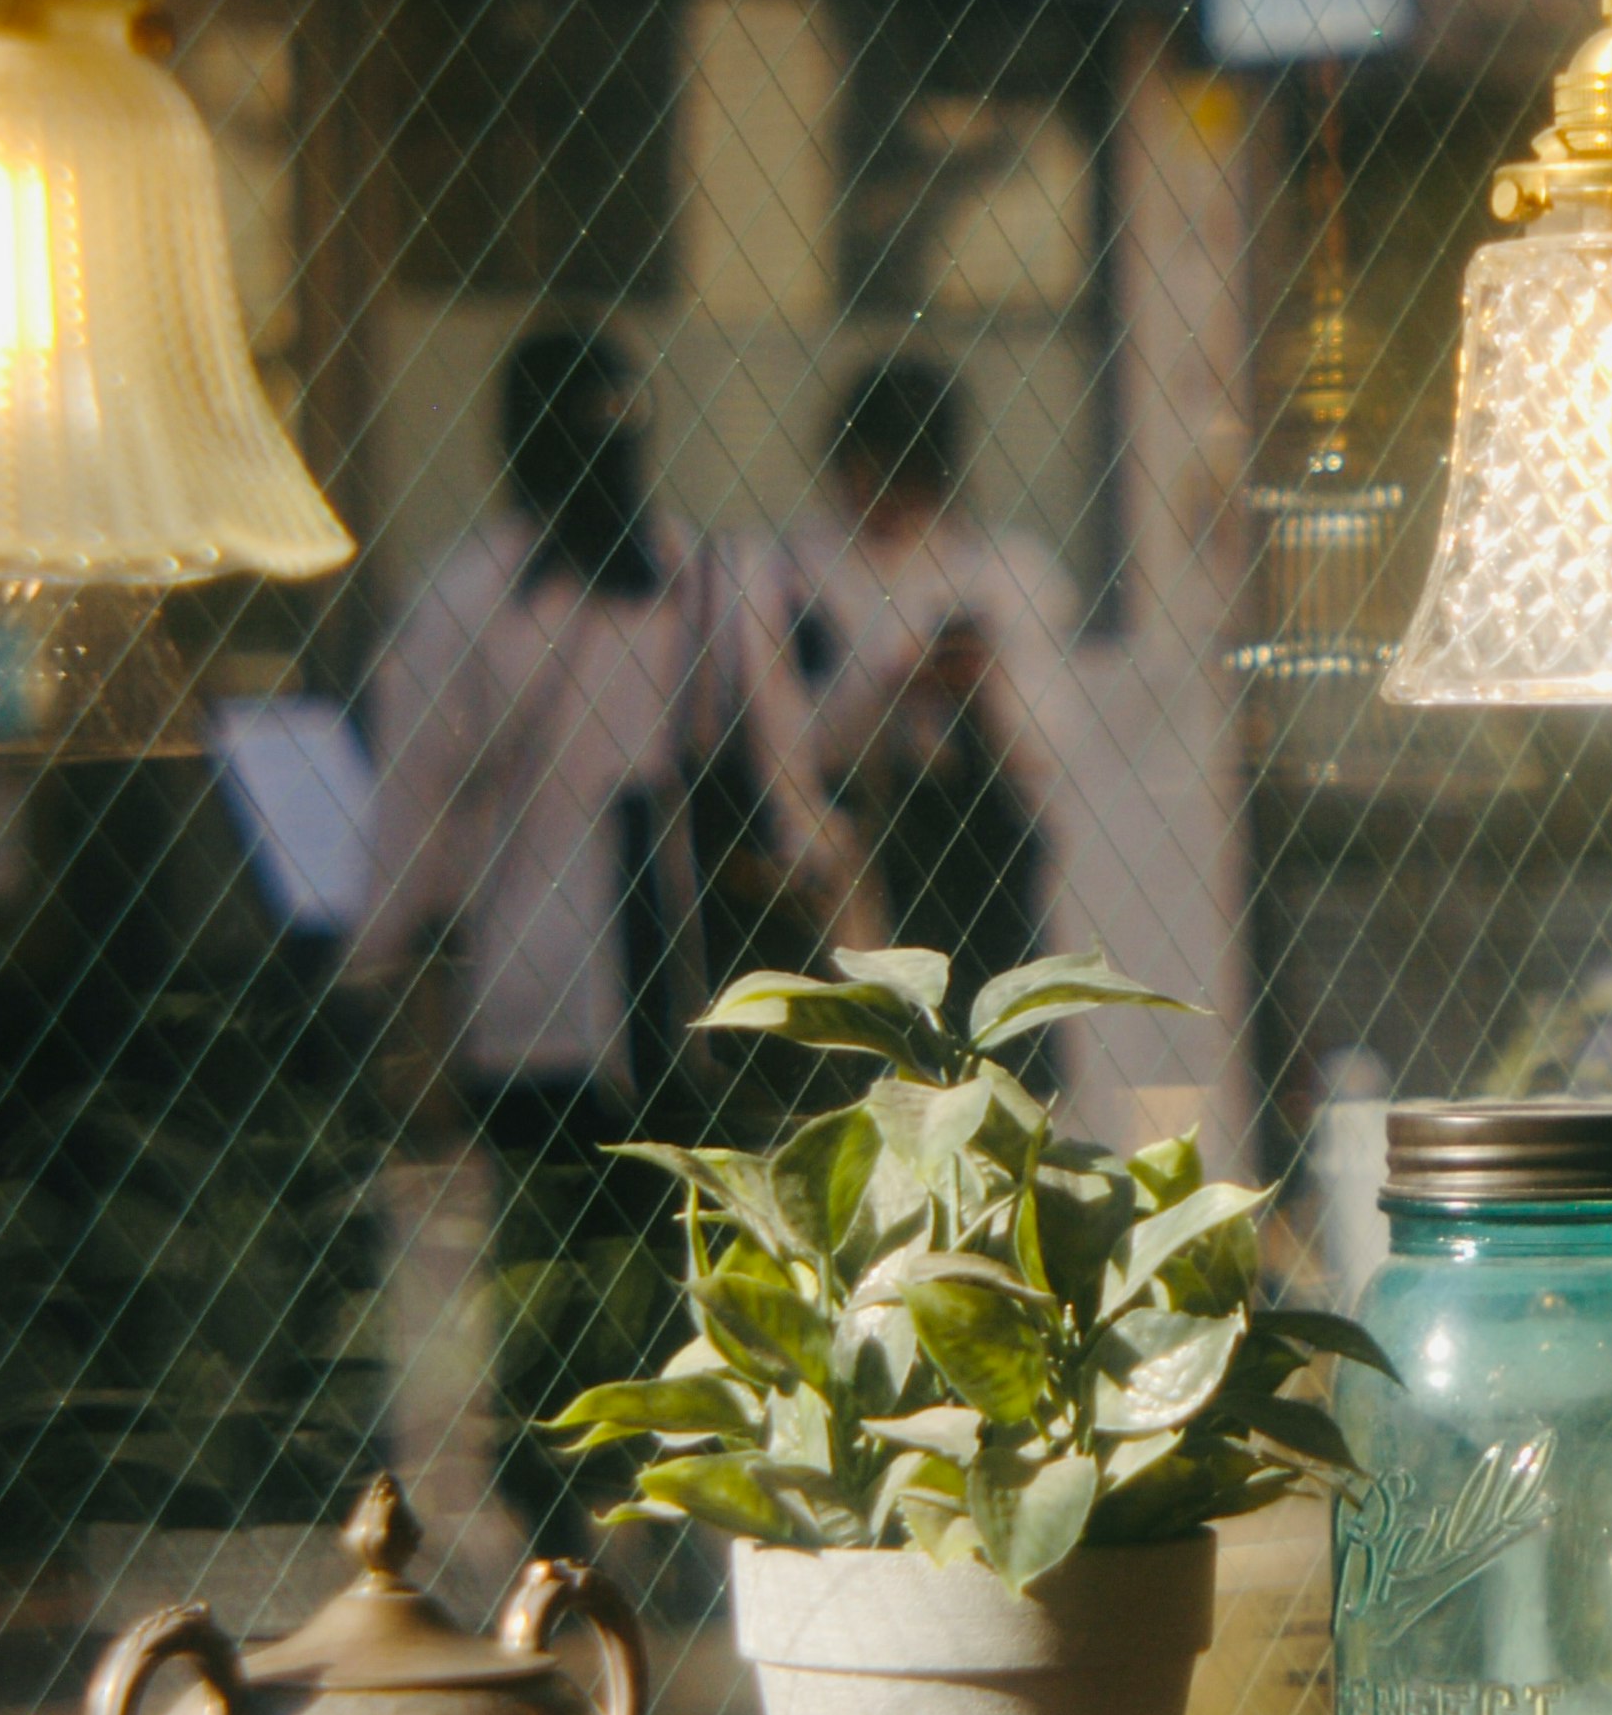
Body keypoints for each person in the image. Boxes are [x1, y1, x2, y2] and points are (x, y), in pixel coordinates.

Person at [351, 328, 843, 1165]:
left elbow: (414, 813)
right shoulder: (719, 576)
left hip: (518, 1008)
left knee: (544, 1270)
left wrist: (369, 963)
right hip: (695, 1011)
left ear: (509, 443)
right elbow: (790, 794)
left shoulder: (463, 600)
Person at [786, 359, 1079, 1052]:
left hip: (977, 834)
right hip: (867, 833)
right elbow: (796, 736)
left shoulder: (1005, 570)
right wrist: (894, 683)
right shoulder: (804, 572)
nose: (873, 493)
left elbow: (1049, 744)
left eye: (893, 471)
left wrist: (985, 682)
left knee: (999, 1046)